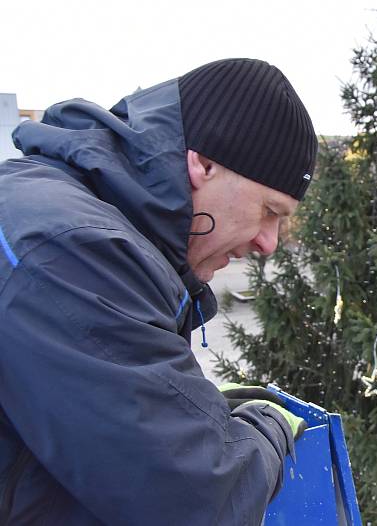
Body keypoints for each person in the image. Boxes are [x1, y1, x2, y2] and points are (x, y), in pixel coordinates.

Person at [0, 58, 317, 525]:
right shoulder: (75, 248)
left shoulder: (62, 211)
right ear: (204, 164)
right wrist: (267, 427)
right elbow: (200, 496)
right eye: (269, 210)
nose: (268, 242)